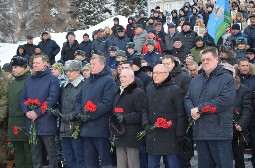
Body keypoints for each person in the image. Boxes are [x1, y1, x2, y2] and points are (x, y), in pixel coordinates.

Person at [184, 47, 236, 168]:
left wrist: (199, 109)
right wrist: (192, 110)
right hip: (201, 131)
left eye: (209, 59)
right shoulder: (195, 80)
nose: (205, 62)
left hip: (220, 132)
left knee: (224, 165)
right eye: (203, 60)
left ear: (216, 59)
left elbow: (224, 101)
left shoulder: (227, 79)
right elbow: (187, 98)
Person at [76, 55, 117, 168]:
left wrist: (89, 115)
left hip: (100, 127)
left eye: (95, 64)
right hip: (86, 128)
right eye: (91, 64)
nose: (92, 67)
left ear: (103, 65)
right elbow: (79, 99)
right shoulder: (87, 81)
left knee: (105, 161)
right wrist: (79, 113)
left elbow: (107, 103)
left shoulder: (109, 80)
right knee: (89, 161)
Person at [21, 55, 60, 168]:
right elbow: (22, 98)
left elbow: (52, 99)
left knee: (51, 154)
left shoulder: (52, 79)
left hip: (46, 121)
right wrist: (26, 112)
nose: (34, 65)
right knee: (35, 155)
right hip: (31, 122)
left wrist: (37, 112)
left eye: (38, 63)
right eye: (33, 63)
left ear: (45, 64)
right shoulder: (29, 79)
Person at [142, 64, 185, 168]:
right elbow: (144, 109)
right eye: (154, 73)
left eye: (158, 73)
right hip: (153, 133)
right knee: (152, 164)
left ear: (166, 74)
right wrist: (146, 124)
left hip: (170, 135)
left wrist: (180, 133)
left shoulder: (175, 90)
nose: (154, 76)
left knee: (172, 163)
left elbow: (180, 113)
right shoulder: (149, 89)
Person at [111, 69, 146, 168]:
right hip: (119, 133)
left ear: (132, 78)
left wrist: (124, 118)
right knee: (121, 164)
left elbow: (140, 114)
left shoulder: (138, 92)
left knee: (132, 163)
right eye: (120, 76)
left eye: (124, 76)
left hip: (131, 135)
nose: (121, 79)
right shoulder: (118, 92)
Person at [221, 63, 253, 168]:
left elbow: (247, 109)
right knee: (222, 158)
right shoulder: (216, 88)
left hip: (238, 130)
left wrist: (241, 124)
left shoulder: (243, 90)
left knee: (239, 158)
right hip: (221, 129)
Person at [56, 60, 85, 168]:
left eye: (71, 71)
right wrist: (57, 112)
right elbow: (60, 103)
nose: (68, 73)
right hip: (64, 125)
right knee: (68, 157)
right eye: (66, 71)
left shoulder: (83, 85)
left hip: (77, 126)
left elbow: (83, 106)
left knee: (79, 156)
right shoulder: (64, 86)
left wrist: (71, 116)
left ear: (78, 71)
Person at [8, 56, 32, 168]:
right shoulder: (13, 82)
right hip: (13, 122)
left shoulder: (29, 80)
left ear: (23, 67)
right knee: (18, 152)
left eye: (16, 67)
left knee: (28, 151)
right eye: (12, 67)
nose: (13, 69)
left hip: (25, 121)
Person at [235, 57, 255, 167]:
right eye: (243, 65)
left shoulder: (253, 78)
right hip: (238, 119)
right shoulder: (234, 79)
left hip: (252, 117)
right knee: (238, 149)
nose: (245, 67)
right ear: (238, 67)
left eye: (247, 65)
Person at [0, 62, 9, 168]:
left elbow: (4, 100)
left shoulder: (3, 79)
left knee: (1, 145)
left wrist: (1, 117)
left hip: (1, 118)